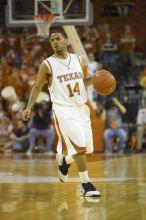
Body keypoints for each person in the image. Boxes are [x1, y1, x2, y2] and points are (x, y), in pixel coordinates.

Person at [22, 28, 100, 197]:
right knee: (79, 147)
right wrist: (28, 107)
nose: (55, 42)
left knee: (87, 150)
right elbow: (37, 87)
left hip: (81, 107)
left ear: (66, 41)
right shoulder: (47, 64)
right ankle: (86, 185)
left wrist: (95, 80)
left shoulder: (77, 59)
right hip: (63, 109)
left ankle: (64, 161)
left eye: (58, 39)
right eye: (52, 40)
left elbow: (81, 82)